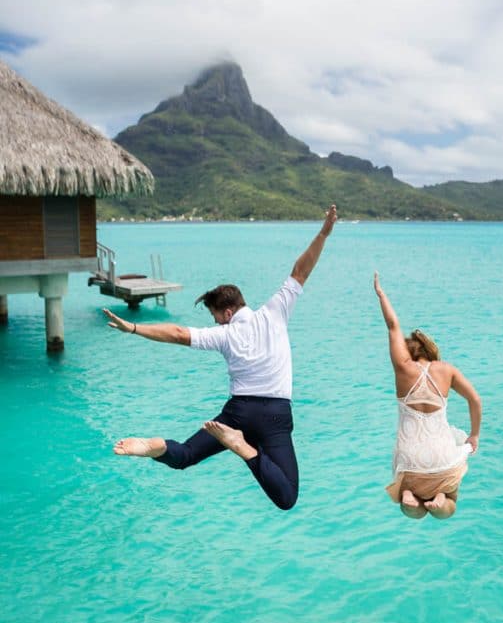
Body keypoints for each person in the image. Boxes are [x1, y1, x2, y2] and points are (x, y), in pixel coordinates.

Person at [103, 205, 337, 511]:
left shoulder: (224, 335)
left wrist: (134, 327)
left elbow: (176, 333)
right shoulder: (274, 312)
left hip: (237, 413)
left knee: (185, 455)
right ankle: (244, 450)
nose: (217, 325)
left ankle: (155, 446)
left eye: (217, 318)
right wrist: (323, 233)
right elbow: (300, 270)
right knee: (287, 496)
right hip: (276, 415)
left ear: (228, 312)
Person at [374, 272, 481, 520]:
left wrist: (381, 294)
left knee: (411, 509)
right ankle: (442, 499)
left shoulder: (403, 368)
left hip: (410, 460)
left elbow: (393, 325)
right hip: (442, 457)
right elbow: (475, 400)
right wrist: (474, 435)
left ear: (408, 353)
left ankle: (410, 498)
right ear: (430, 350)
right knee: (450, 504)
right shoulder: (447, 370)